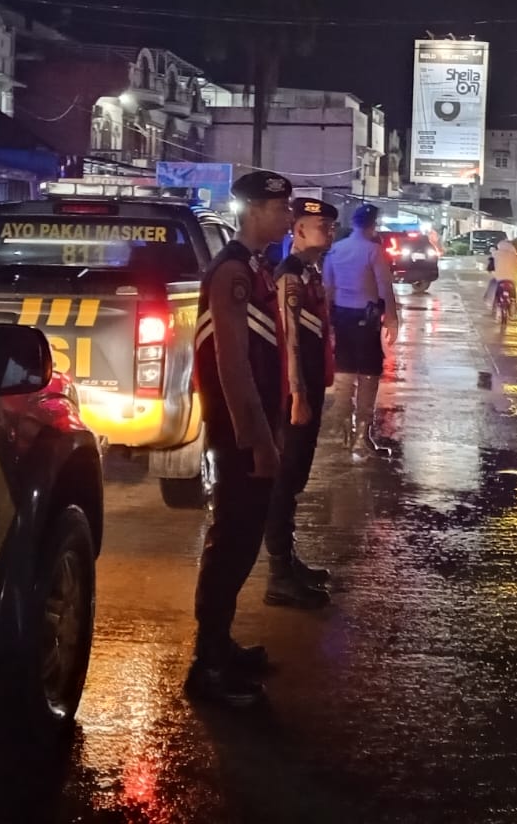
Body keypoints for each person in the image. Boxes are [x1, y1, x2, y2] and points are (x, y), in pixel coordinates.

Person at [185, 169, 294, 709]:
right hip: (237, 432)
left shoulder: (254, 268)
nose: (289, 216)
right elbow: (232, 364)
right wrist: (258, 439)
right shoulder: (232, 272)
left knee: (242, 537)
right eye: (281, 208)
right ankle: (207, 665)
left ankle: (220, 645)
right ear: (253, 210)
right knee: (231, 540)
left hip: (252, 427)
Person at [263, 197, 339, 610]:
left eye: (330, 225)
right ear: (298, 230)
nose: (328, 231)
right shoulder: (289, 277)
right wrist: (297, 396)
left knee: (295, 481)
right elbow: (290, 340)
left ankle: (289, 562)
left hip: (311, 387)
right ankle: (278, 574)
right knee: (284, 481)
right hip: (296, 394)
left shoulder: (311, 272)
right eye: (320, 225)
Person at [322, 203, 398, 459]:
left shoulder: (336, 249)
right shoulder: (373, 250)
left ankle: (339, 431)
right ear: (372, 225)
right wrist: (392, 319)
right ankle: (361, 437)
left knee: (343, 373)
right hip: (366, 319)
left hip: (342, 317)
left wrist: (327, 321)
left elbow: (327, 287)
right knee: (368, 375)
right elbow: (384, 286)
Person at [483, 237, 517, 312]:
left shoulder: (495, 254)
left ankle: (488, 300)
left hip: (499, 279)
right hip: (513, 278)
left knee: (492, 283)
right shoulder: (516, 255)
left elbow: (490, 267)